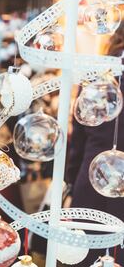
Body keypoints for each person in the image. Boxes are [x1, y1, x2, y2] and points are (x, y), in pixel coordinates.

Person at [65, 23, 124, 265]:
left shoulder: (96, 73)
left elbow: (78, 133)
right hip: (108, 176)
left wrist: (70, 179)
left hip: (92, 173)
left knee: (89, 250)